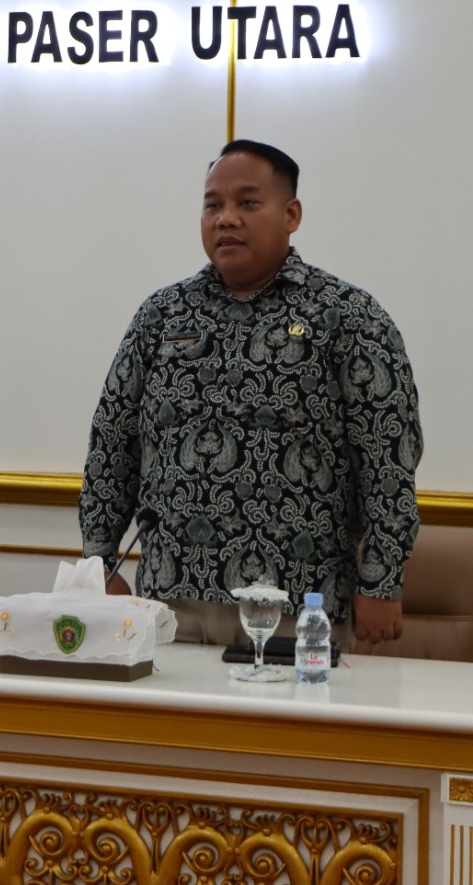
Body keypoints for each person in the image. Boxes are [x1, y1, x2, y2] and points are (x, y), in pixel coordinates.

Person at [80, 140, 421, 647]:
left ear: (291, 214)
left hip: (298, 604)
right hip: (170, 601)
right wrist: (99, 563)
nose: (226, 218)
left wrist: (381, 580)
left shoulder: (348, 316)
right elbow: (112, 443)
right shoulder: (162, 315)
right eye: (212, 204)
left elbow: (388, 456)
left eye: (247, 202)